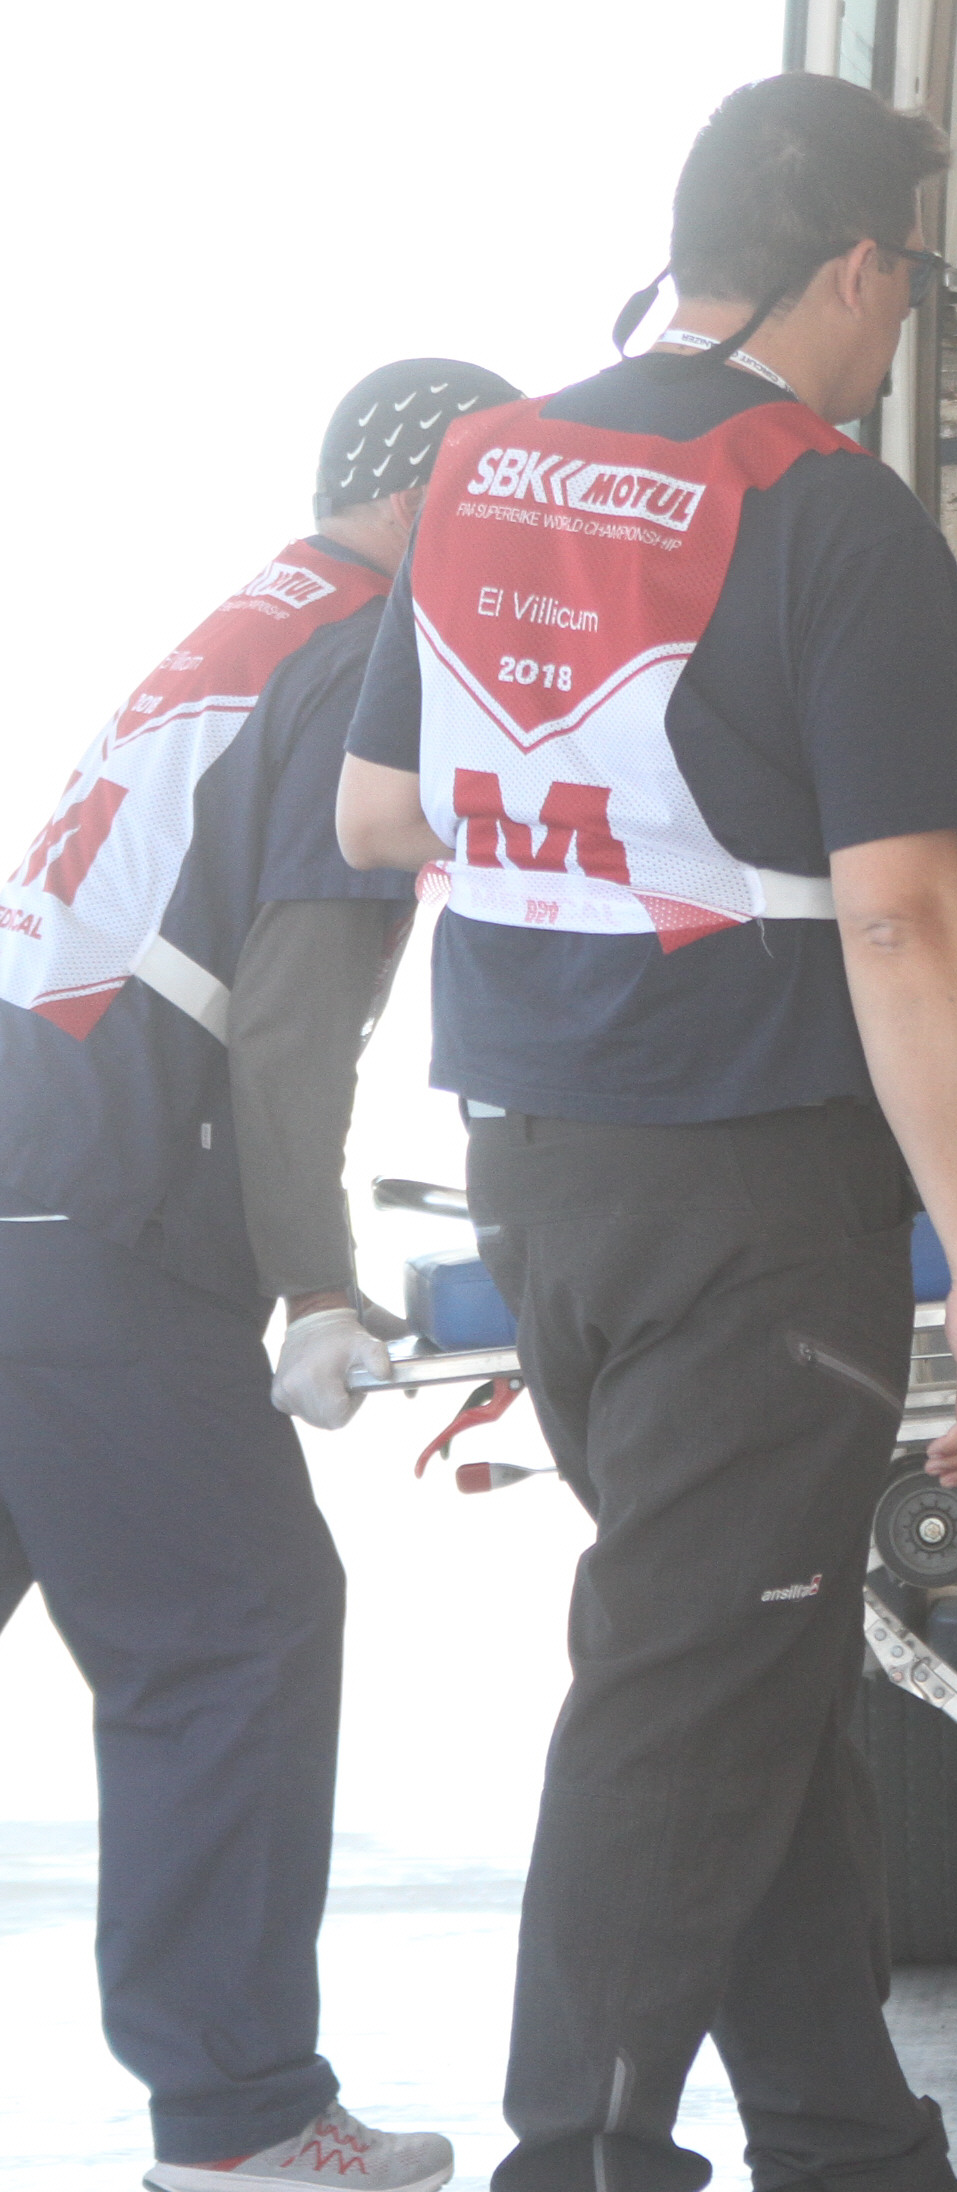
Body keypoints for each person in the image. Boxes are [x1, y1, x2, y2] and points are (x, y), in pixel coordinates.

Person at [335, 76, 957, 2192]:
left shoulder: (487, 467)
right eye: (907, 280)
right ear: (858, 266)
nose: (899, 323)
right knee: (686, 1689)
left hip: (546, 1170)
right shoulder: (832, 513)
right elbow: (903, 915)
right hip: (754, 1193)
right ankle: (580, 2154)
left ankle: (847, 2139)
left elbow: (378, 813)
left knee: (751, 1654)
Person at [1, 358, 518, 2192]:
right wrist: (315, 1285)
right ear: (430, 501)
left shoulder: (250, 622)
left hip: (27, 1163)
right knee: (237, 1628)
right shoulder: (368, 654)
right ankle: (236, 2126)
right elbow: (290, 1025)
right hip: (102, 1208)